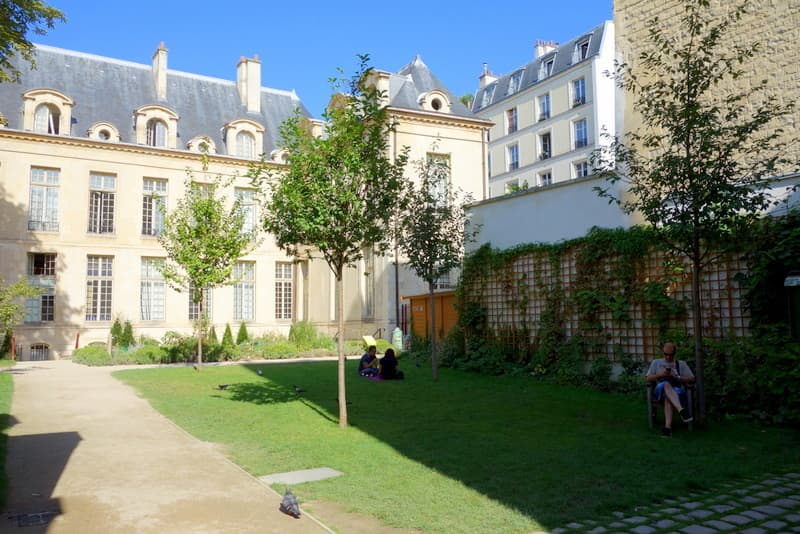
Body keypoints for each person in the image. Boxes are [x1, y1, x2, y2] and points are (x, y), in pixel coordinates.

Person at [646, 342, 695, 437]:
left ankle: (667, 428)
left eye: (671, 355)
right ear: (663, 352)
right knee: (666, 384)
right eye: (666, 354)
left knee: (668, 397)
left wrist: (678, 377)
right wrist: (660, 375)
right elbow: (648, 378)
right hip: (660, 389)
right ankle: (681, 410)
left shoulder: (681, 364)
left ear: (675, 353)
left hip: (676, 391)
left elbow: (692, 378)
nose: (668, 357)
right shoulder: (656, 362)